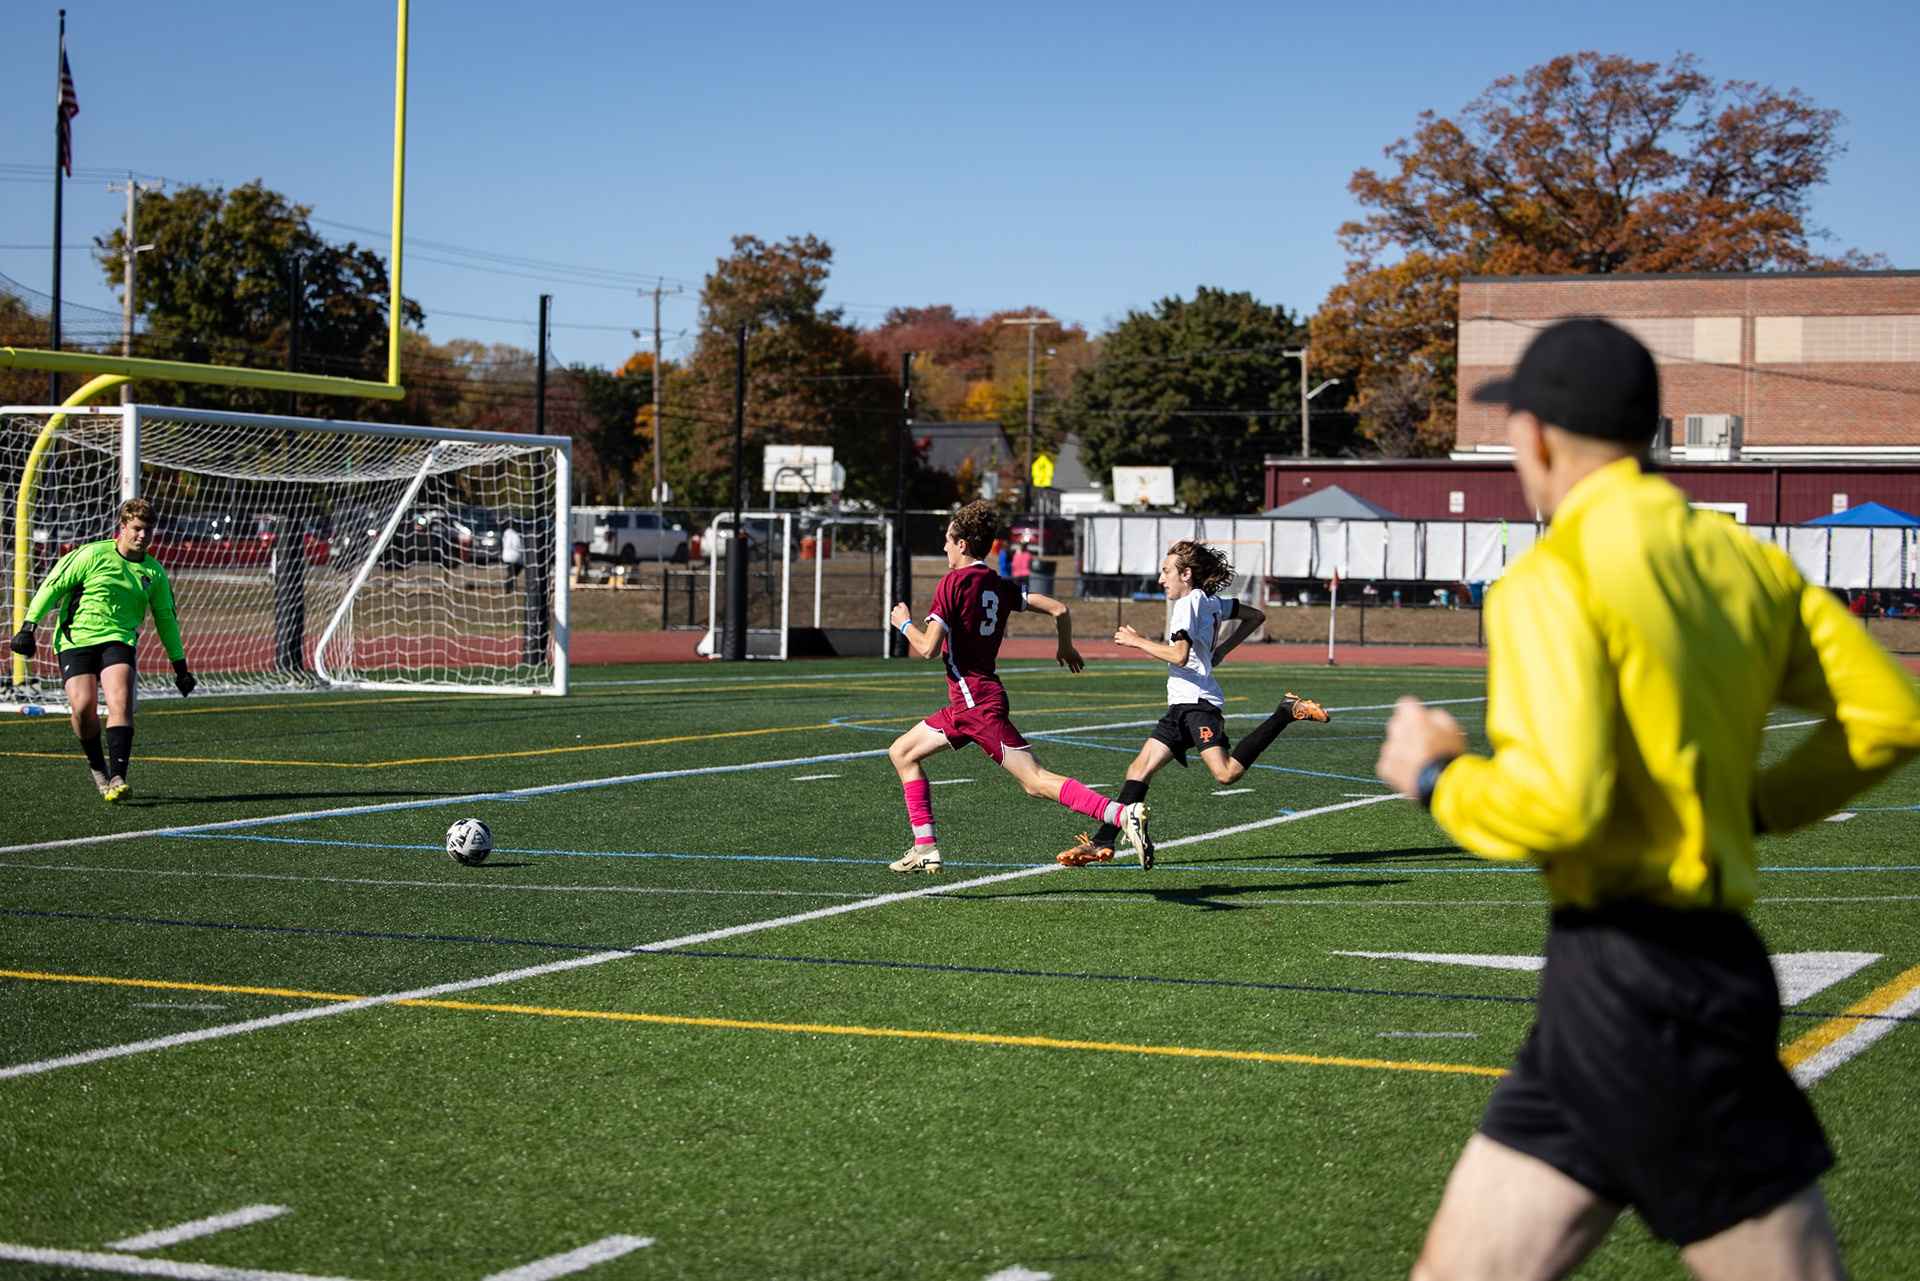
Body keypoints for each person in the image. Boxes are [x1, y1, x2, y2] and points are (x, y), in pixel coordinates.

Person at [1376, 318, 1920, 1281]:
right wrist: (1754, 806)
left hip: (1645, 992)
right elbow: (1887, 717)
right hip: (1641, 984)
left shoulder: (1551, 577)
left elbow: (1559, 806)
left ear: (1536, 435)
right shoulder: (1743, 560)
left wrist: (1436, 775)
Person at [886, 500, 1149, 873]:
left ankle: (1121, 815)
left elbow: (928, 648)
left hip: (976, 704)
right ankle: (924, 847)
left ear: (962, 544)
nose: (944, 547)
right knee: (902, 752)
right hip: (969, 703)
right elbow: (1059, 609)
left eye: (947, 540)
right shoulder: (997, 584)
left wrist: (903, 623)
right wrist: (1065, 645)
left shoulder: (952, 583)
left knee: (1035, 781)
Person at [1057, 540, 1329, 868]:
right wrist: (1222, 650)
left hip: (1198, 705)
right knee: (1138, 770)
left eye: (1166, 571)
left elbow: (1179, 656)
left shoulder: (1187, 605)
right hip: (1181, 706)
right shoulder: (1210, 602)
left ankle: (1285, 712)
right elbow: (1256, 616)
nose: (1161, 579)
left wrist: (1136, 641)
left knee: (1226, 774)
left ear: (1186, 574)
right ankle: (1102, 841)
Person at [9, 497, 197, 803]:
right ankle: (99, 769)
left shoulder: (154, 573)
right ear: (122, 527)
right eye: (137, 529)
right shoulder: (91, 554)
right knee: (83, 708)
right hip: (76, 640)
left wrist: (180, 667)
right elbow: (53, 585)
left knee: (120, 701)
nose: (143, 536)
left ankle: (118, 778)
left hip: (118, 640)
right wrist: (29, 627)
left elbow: (166, 620)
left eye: (148, 530)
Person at [501, 518, 525, 594]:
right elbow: (517, 546)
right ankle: (510, 589)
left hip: (506, 557)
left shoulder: (505, 535)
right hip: (514, 557)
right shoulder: (514, 535)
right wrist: (523, 551)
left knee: (512, 574)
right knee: (512, 575)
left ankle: (511, 588)